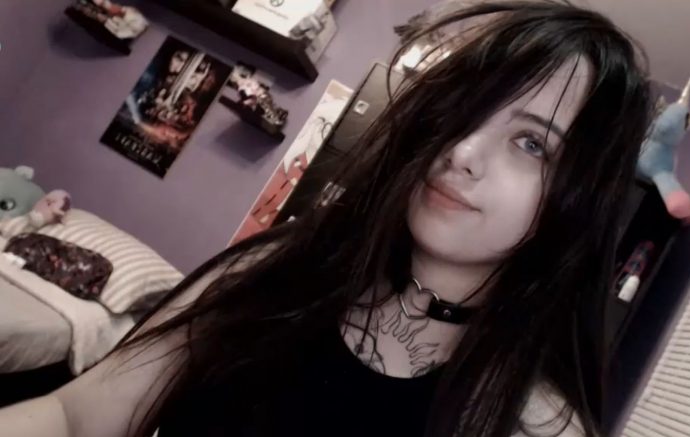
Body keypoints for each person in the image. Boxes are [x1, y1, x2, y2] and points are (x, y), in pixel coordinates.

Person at [0, 1, 651, 436]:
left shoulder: (536, 424)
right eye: (463, 111)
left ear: (578, 199)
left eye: (531, 143)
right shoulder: (274, 268)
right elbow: (74, 417)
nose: (461, 151)